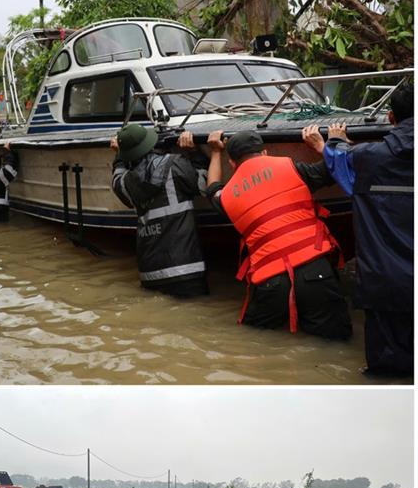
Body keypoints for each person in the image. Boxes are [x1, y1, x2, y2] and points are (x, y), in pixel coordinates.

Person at [302, 83, 414, 375]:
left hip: (385, 282)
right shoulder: (368, 156)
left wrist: (332, 143)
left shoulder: (368, 158)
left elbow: (342, 165)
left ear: (390, 118)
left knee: (387, 372)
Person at [205, 129, 351, 339]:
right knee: (334, 341)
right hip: (315, 270)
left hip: (270, 281)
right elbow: (336, 167)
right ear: (264, 153)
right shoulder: (292, 167)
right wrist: (332, 142)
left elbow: (212, 189)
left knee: (254, 340)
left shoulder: (226, 196)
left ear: (233, 164)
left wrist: (215, 152)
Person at [110, 125, 209, 297]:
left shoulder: (124, 181)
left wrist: (120, 154)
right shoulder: (174, 164)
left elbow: (117, 175)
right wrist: (194, 152)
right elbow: (204, 183)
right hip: (185, 270)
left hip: (150, 275)